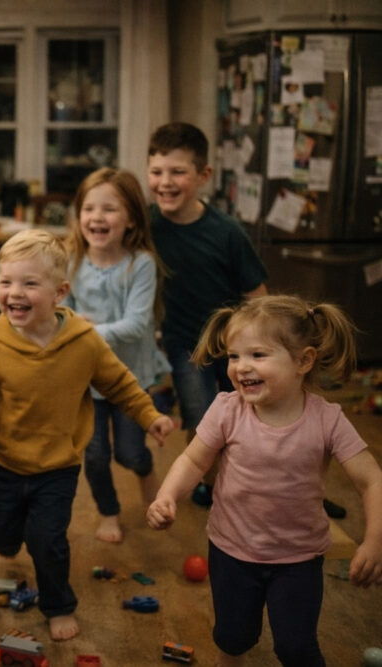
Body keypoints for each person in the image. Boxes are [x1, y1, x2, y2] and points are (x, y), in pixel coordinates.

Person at [0, 229, 174, 641]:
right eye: (5, 282)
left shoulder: (84, 342)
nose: (14, 292)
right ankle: (7, 537)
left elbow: (120, 384)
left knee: (48, 541)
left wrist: (149, 416)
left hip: (58, 467)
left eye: (30, 283)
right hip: (2, 462)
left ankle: (59, 605)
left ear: (60, 293)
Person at [147, 295, 382, 666]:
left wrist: (374, 540)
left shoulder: (327, 420)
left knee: (296, 648)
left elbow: (371, 480)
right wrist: (167, 496)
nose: (241, 367)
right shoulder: (228, 409)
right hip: (231, 550)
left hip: (299, 558)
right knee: (233, 637)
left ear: (304, 360)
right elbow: (193, 460)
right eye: (234, 356)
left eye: (257, 355)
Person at [147, 121, 268, 506]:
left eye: (178, 172)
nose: (165, 181)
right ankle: (218, 489)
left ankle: (252, 479)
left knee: (251, 415)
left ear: (203, 175)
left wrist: (264, 349)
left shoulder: (227, 232)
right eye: (156, 171)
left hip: (238, 345)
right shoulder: (146, 226)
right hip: (185, 344)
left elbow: (258, 297)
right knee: (202, 421)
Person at [63, 167, 171, 543]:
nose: (96, 217)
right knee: (93, 456)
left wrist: (85, 329)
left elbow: (137, 324)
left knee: (129, 453)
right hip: (87, 381)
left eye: (109, 209)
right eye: (89, 208)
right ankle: (109, 512)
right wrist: (73, 322)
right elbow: (61, 314)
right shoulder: (71, 260)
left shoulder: (140, 264)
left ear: (130, 219)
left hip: (130, 379)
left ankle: (145, 471)